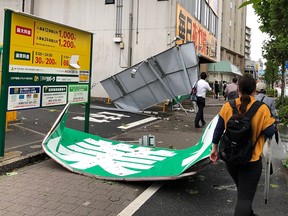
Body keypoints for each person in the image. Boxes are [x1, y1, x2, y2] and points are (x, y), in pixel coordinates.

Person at [210, 75, 275, 216]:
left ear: (238, 89)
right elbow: (270, 131)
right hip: (251, 161)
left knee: (243, 192)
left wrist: (214, 149)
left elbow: (218, 130)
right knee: (245, 198)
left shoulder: (228, 106)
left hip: (231, 158)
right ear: (254, 91)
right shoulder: (262, 109)